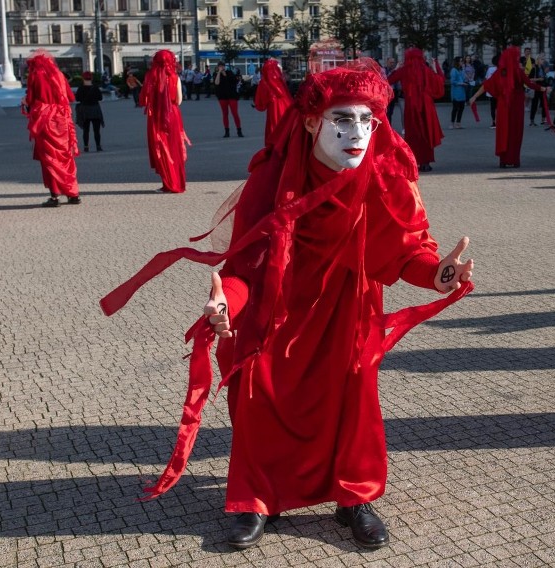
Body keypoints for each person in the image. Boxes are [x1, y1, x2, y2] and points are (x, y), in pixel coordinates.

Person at [100, 59, 473, 552]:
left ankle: (353, 497)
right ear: (313, 121)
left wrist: (437, 274)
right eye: (343, 120)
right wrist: (225, 304)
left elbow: (407, 249)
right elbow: (242, 268)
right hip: (278, 309)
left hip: (347, 306)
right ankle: (255, 499)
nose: (357, 132)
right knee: (261, 392)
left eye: (368, 120)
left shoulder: (384, 176)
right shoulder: (272, 179)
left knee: (354, 391)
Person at [470, 46, 548, 168]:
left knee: (503, 131)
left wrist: (474, 96)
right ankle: (514, 159)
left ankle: (503, 159)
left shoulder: (500, 72)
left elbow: (486, 85)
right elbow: (529, 84)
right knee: (515, 132)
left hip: (503, 106)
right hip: (516, 106)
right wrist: (543, 88)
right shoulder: (518, 72)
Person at [23, 54, 79, 207]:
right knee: (66, 156)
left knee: (49, 158)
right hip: (62, 118)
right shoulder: (59, 75)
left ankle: (55, 196)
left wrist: (26, 102)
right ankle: (72, 193)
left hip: (45, 118)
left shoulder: (35, 75)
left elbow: (31, 98)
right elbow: (70, 97)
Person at [386, 48, 444, 172]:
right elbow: (439, 82)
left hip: (412, 105)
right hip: (427, 106)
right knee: (426, 133)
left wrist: (395, 69)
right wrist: (435, 67)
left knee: (413, 133)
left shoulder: (404, 70)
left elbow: (387, 81)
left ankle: (413, 161)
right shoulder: (426, 70)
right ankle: (426, 162)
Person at [140, 50, 189, 193]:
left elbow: (144, 99)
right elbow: (179, 101)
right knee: (174, 149)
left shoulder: (150, 77)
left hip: (156, 116)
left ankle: (167, 182)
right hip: (172, 115)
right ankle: (178, 183)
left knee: (161, 149)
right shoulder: (175, 77)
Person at [253, 59, 293, 146]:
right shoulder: (280, 82)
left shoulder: (264, 83)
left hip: (274, 111)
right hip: (287, 110)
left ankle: (276, 148)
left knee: (275, 128)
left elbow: (261, 104)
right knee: (286, 129)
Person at [74, 71, 105, 152]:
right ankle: (98, 146)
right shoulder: (95, 87)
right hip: (95, 109)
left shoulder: (81, 88)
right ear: (91, 78)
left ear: (83, 78)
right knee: (96, 130)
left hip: (85, 110)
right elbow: (100, 98)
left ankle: (86, 146)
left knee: (86, 130)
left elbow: (77, 99)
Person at [214, 62, 243, 138]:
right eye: (220, 66)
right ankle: (227, 131)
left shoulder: (229, 73)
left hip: (232, 95)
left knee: (235, 113)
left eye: (222, 66)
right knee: (225, 114)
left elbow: (234, 80)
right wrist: (219, 73)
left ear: (224, 66)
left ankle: (239, 130)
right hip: (222, 96)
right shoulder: (216, 74)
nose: (221, 67)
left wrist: (224, 73)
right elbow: (216, 83)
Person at [449, 57, 467, 128]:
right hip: (456, 91)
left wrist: (466, 82)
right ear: (457, 62)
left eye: (462, 61)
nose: (462, 62)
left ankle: (458, 123)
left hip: (462, 91)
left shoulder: (462, 70)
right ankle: (452, 123)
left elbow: (463, 79)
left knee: (461, 108)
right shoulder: (454, 70)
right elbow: (452, 81)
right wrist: (461, 83)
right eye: (461, 61)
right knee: (455, 108)